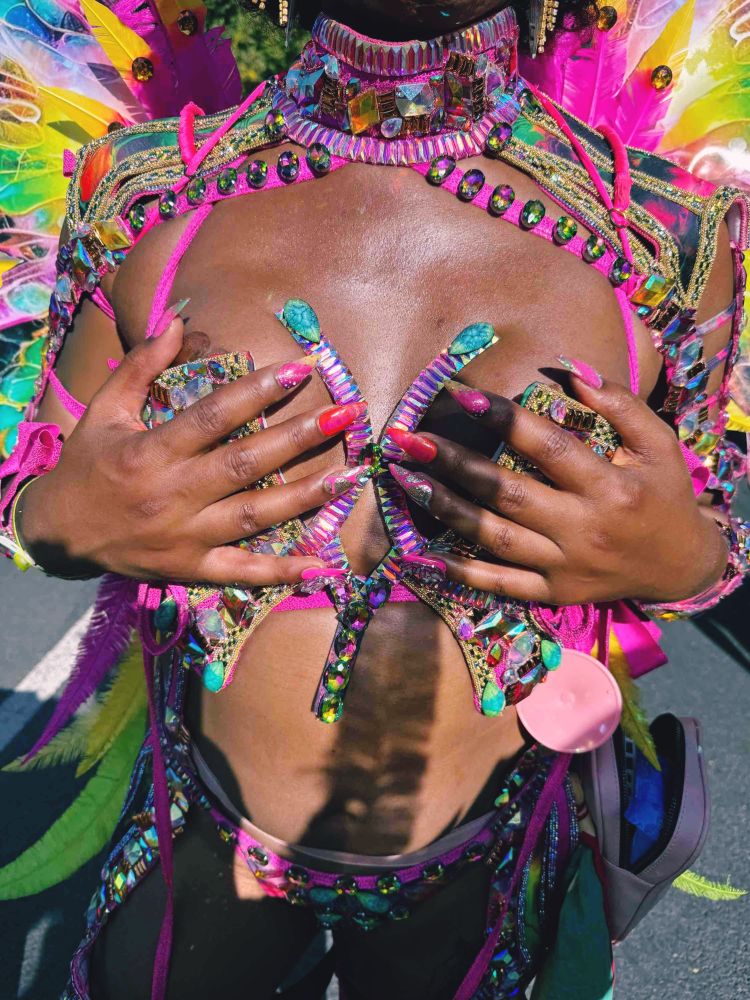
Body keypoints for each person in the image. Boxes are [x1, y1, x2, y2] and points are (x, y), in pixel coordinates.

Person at [0, 1, 747, 998]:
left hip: (490, 865)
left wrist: (684, 564)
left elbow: (715, 516)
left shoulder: (662, 226)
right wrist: (57, 521)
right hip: (200, 849)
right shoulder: (142, 190)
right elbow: (28, 485)